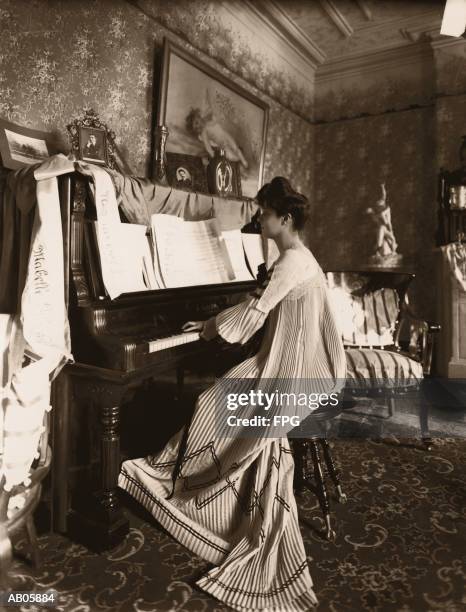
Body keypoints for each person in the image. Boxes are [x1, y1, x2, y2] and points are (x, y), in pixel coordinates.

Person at [118, 177, 346, 611]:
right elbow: (257, 305)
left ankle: (178, 489)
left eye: (265, 212)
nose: (259, 218)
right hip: (289, 363)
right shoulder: (297, 258)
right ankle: (186, 479)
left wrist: (205, 327)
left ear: (286, 218)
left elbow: (252, 315)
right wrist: (219, 323)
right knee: (214, 398)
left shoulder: (292, 261)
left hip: (284, 372)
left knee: (208, 403)